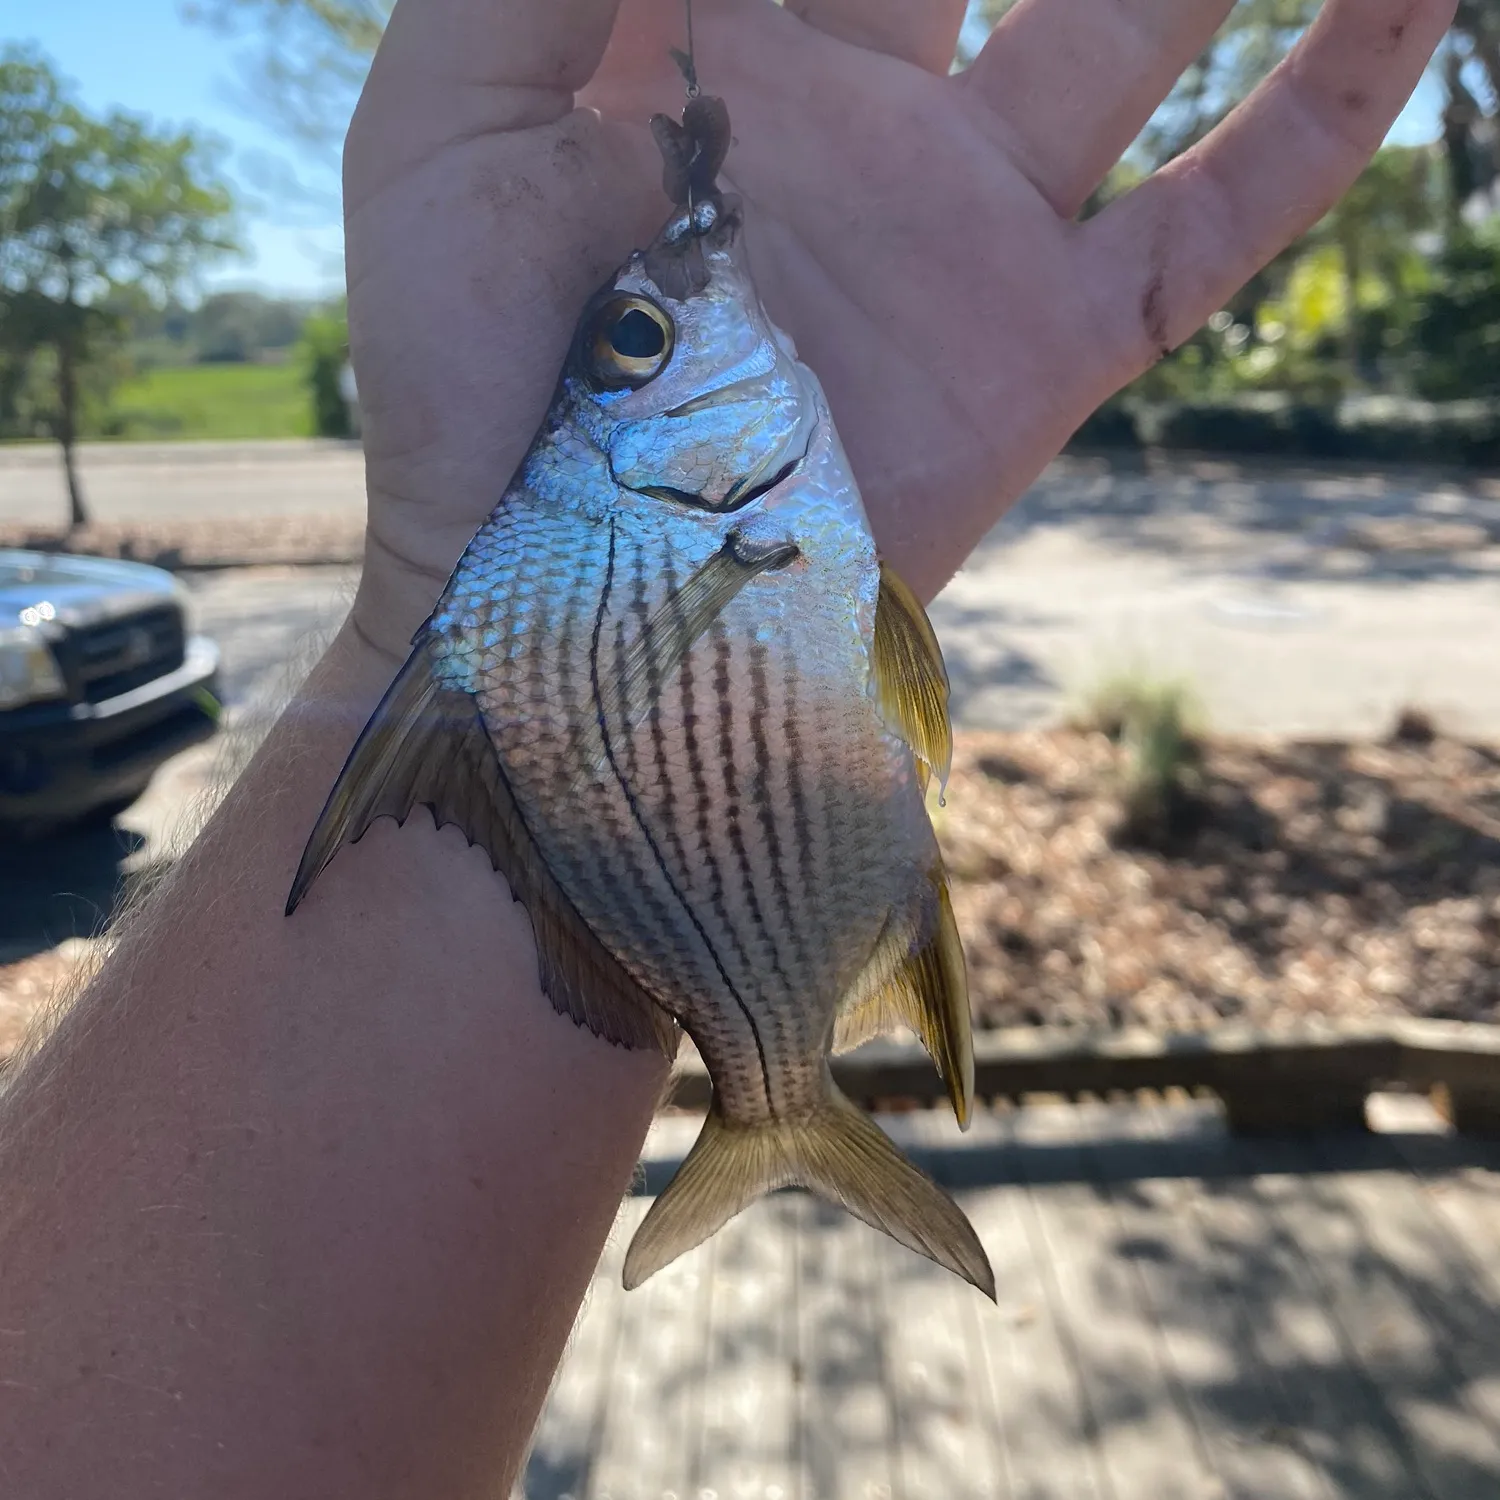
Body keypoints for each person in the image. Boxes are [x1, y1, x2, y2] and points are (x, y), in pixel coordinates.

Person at [0, 1, 1454, 1494]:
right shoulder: (683, 512)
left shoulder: (693, 513)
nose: (675, 314)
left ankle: (784, 1105)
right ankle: (783, 1109)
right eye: (641, 339)